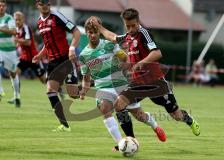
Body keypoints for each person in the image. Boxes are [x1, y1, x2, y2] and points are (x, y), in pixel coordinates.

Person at [92, 8, 200, 136]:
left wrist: (141, 63)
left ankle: (190, 120)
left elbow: (157, 53)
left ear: (138, 22)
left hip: (155, 83)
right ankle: (130, 140)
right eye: (128, 26)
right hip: (137, 83)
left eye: (133, 25)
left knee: (176, 115)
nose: (131, 29)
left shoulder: (144, 33)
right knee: (119, 104)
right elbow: (113, 37)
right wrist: (100, 27)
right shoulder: (127, 36)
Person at [78, 17, 166, 150]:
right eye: (90, 32)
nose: (93, 35)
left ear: (99, 32)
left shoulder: (109, 45)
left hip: (120, 85)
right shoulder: (84, 55)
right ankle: (122, 143)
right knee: (104, 108)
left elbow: (126, 58)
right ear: (86, 32)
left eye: (95, 31)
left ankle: (155, 126)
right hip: (102, 89)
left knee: (139, 116)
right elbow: (86, 77)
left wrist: (121, 65)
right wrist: (84, 89)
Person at [32, 0, 81, 131]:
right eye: (43, 4)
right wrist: (40, 55)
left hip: (65, 59)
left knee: (74, 94)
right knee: (50, 91)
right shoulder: (39, 22)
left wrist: (72, 49)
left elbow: (76, 32)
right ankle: (64, 125)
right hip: (52, 62)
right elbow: (47, 44)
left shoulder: (57, 16)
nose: (46, 6)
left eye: (48, 3)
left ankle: (89, 84)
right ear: (37, 5)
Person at [0, 0, 20, 107]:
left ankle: (16, 95)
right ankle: (0, 91)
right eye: (0, 6)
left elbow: (14, 32)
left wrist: (1, 29)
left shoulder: (9, 18)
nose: (1, 7)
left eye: (3, 6)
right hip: (0, 50)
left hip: (10, 51)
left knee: (12, 74)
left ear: (6, 7)